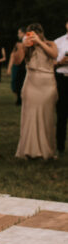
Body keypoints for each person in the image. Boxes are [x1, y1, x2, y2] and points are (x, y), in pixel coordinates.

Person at [13, 23, 58, 160]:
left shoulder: (50, 44)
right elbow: (17, 61)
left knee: (47, 117)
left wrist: (39, 42)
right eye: (29, 34)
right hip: (31, 83)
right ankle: (28, 150)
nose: (31, 36)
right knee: (29, 116)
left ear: (40, 33)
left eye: (33, 34)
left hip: (47, 84)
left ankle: (46, 150)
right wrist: (23, 47)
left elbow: (54, 55)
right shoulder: (27, 47)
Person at [54, 19, 68, 153]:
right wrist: (60, 62)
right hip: (62, 79)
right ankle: (60, 146)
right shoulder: (58, 42)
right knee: (61, 114)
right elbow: (51, 62)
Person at [9, 27, 27, 105]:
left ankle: (20, 100)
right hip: (20, 65)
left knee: (21, 82)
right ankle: (19, 99)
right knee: (19, 82)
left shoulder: (25, 42)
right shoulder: (19, 43)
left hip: (23, 65)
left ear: (23, 33)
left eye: (19, 33)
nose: (18, 35)